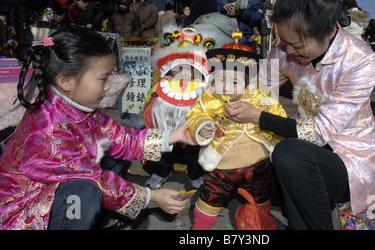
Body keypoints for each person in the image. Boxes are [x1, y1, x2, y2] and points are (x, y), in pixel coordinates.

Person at [226, 0, 375, 230]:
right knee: (242, 176)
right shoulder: (284, 50)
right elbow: (257, 91)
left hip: (346, 160)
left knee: (290, 155)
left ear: (328, 31)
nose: (289, 52)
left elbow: (317, 133)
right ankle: (308, 197)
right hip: (301, 151)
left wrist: (257, 116)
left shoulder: (360, 60)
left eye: (297, 44)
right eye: (284, 42)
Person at [0, 27, 195, 230]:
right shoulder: (48, 131)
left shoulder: (79, 108)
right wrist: (152, 196)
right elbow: (93, 178)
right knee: (83, 193)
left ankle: (97, 218)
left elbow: (121, 139)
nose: (108, 86)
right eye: (103, 79)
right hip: (22, 211)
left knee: (111, 155)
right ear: (66, 81)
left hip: (59, 187)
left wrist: (173, 135)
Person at [186, 32, 287, 229]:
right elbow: (196, 114)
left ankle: (257, 222)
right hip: (222, 164)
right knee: (211, 195)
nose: (224, 87)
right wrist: (201, 126)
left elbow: (279, 118)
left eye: (233, 82)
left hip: (257, 161)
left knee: (259, 194)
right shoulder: (210, 98)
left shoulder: (262, 98)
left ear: (249, 82)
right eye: (220, 80)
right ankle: (201, 226)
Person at [142, 39, 210, 189]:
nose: (183, 74)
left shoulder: (203, 89)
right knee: (156, 144)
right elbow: (147, 113)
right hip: (167, 134)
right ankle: (160, 173)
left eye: (188, 69)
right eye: (178, 69)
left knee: (198, 150)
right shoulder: (161, 86)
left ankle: (194, 173)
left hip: (191, 137)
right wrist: (160, 89)